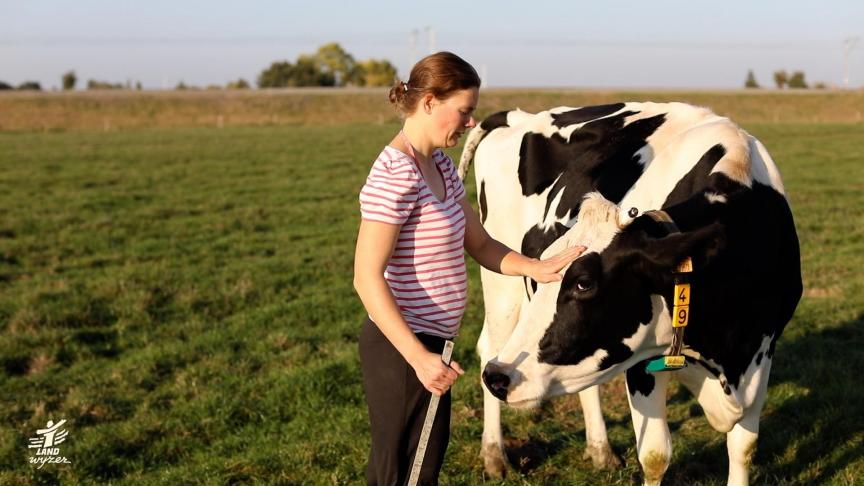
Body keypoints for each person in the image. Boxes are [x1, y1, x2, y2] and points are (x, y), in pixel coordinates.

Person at [353, 51, 585, 485]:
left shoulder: (440, 165)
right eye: (463, 111)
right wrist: (418, 358)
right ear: (428, 103)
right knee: (399, 471)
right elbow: (366, 278)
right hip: (402, 346)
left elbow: (478, 242)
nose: (469, 123)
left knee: (421, 466)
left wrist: (537, 268)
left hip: (431, 343)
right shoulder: (395, 174)